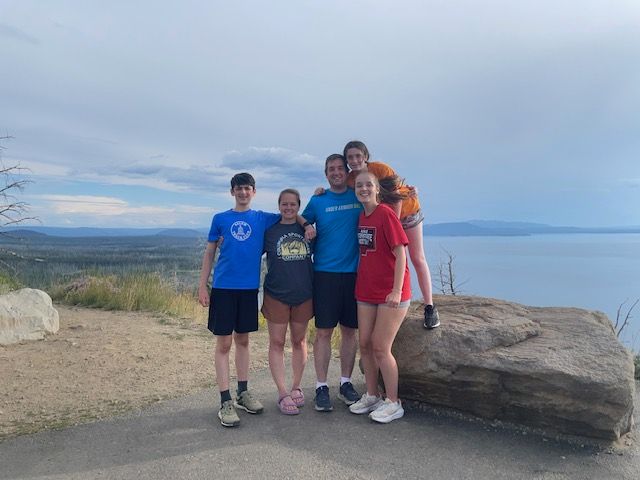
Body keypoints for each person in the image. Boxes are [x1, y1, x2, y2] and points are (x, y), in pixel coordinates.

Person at [198, 173, 314, 427]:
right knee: (224, 344)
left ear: (254, 191)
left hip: (249, 289)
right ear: (232, 192)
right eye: (238, 189)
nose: (243, 193)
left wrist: (306, 224)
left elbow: (291, 214)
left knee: (243, 340)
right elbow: (209, 253)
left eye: (247, 188)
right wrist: (202, 285)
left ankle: (242, 392)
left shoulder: (263, 219)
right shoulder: (220, 219)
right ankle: (224, 400)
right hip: (223, 288)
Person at [343, 140, 440, 330]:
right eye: (350, 157)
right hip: (383, 220)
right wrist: (321, 191)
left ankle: (430, 306)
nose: (354, 160)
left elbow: (396, 199)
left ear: (365, 156)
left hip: (406, 213)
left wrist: (389, 226)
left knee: (417, 257)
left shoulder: (381, 169)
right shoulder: (350, 180)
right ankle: (395, 301)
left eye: (358, 156)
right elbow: (343, 193)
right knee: (391, 260)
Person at [348, 171, 410, 423]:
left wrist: (396, 290)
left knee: (381, 347)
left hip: (390, 292)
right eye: (359, 185)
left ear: (377, 189)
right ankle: (372, 394)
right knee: (364, 343)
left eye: (368, 185)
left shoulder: (385, 214)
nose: (363, 189)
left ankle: (394, 402)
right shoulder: (362, 216)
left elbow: (401, 253)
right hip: (366, 290)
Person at [302, 154, 362, 412]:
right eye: (331, 169)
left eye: (340, 168)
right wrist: (307, 226)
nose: (336, 172)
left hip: (354, 274)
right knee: (324, 332)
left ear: (346, 171)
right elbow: (300, 219)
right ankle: (321, 386)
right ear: (326, 174)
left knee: (350, 331)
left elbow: (384, 199)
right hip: (324, 274)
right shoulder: (318, 199)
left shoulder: (357, 195)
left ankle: (346, 383)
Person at [262, 189, 314, 415]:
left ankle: (296, 387)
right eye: (285, 204)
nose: (289, 208)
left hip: (304, 293)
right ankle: (283, 393)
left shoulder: (309, 231)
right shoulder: (270, 232)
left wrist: (306, 224)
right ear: (279, 205)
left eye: (293, 204)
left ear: (299, 206)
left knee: (300, 341)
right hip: (276, 294)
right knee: (276, 342)